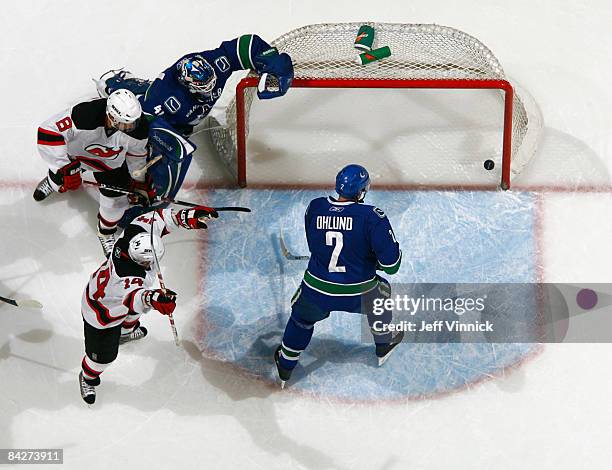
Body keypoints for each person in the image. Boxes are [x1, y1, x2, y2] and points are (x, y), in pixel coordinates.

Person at [95, 34, 294, 207]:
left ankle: (129, 85)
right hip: (166, 120)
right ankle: (116, 86)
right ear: (187, 85)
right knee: (152, 147)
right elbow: (139, 126)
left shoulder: (216, 64)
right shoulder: (164, 98)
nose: (209, 94)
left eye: (211, 86)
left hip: (179, 118)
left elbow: (246, 44)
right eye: (202, 90)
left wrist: (273, 61)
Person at [274, 164, 404, 388]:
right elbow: (391, 266)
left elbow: (319, 248)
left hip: (316, 291)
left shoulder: (314, 208)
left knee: (301, 319)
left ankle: (285, 365)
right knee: (381, 292)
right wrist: (371, 260)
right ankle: (383, 343)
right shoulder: (373, 217)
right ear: (362, 191)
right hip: (358, 294)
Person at [78, 204, 218, 404]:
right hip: (101, 313)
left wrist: (187, 216)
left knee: (133, 316)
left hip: (116, 299)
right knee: (103, 358)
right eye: (148, 263)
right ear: (140, 261)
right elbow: (135, 299)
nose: (152, 265)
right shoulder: (126, 278)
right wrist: (155, 299)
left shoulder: (134, 234)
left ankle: (125, 333)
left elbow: (158, 218)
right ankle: (87, 377)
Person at [33, 89, 155, 257]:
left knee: (115, 203)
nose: (130, 128)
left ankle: (105, 232)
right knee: (58, 178)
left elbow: (137, 154)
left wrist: (139, 180)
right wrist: (64, 167)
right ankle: (52, 182)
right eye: (124, 124)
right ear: (110, 116)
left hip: (110, 165)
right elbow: (48, 132)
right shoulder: (84, 114)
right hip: (76, 157)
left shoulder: (139, 128)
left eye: (132, 123)